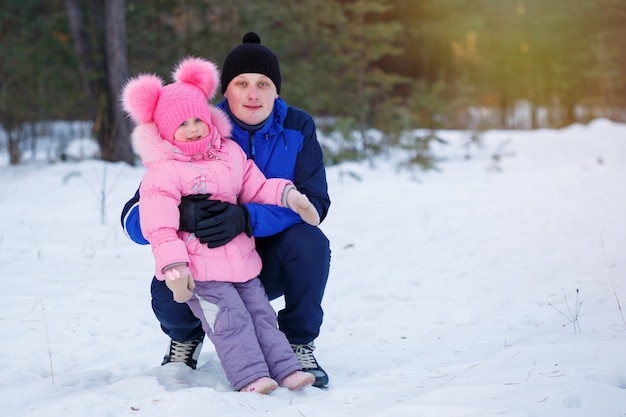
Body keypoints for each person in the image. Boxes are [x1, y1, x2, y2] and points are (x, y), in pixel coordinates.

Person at [121, 32, 332, 388]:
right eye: (242, 83)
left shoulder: (297, 126)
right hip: (207, 261)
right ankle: (185, 337)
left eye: (263, 84)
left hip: (269, 259)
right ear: (225, 91)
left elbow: (315, 202)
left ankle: (296, 344)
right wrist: (182, 216)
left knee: (311, 241)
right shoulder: (194, 126)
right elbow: (134, 217)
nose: (253, 94)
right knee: (168, 286)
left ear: (277, 90)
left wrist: (247, 218)